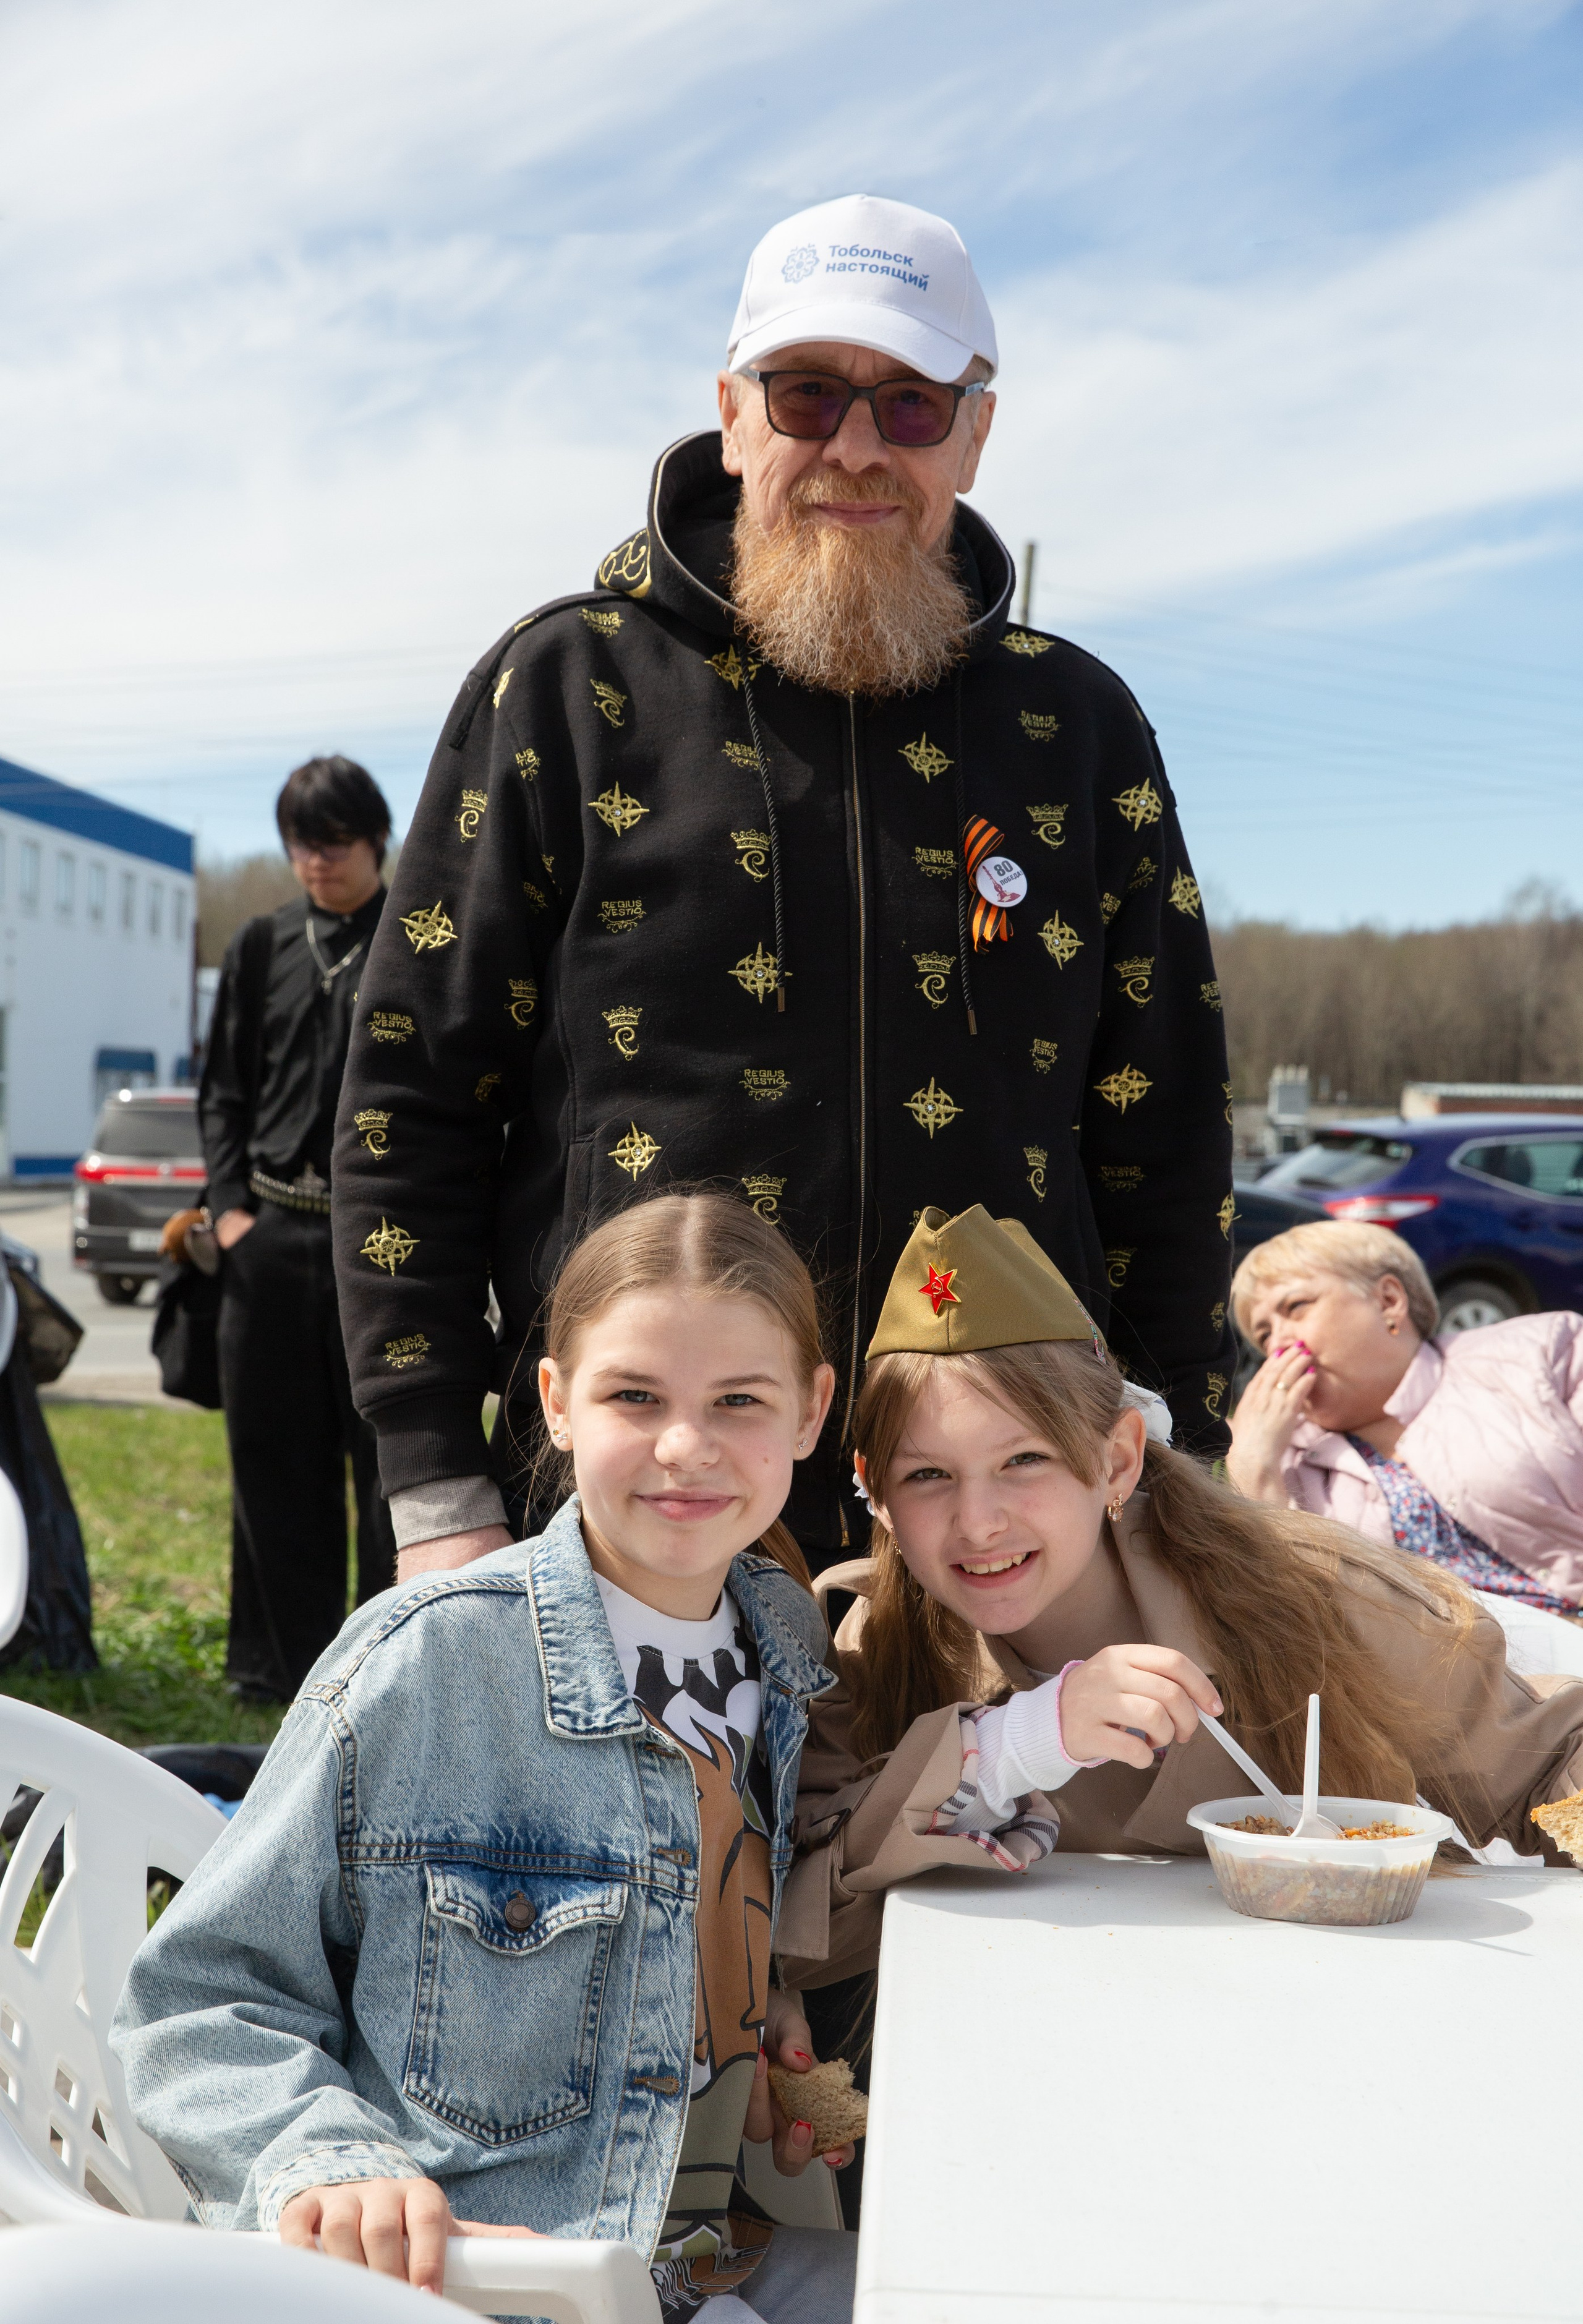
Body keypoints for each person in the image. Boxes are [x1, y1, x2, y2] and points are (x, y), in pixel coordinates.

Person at [331, 191, 1238, 1589]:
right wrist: (435, 1482)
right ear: (732, 411)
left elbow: (1160, 1125)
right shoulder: (567, 689)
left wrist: (1174, 1442)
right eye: (809, 394)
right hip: (628, 1522)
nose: (856, 447)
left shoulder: (1074, 726)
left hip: (992, 1540)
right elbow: (411, 1102)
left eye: (911, 405)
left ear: (977, 430)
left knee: (987, 1815)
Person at [113, 1194, 858, 2323]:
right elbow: (197, 1996)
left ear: (811, 1411)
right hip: (486, 2275)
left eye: (739, 1401)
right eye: (634, 1395)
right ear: (556, 1401)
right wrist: (328, 2161)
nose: (685, 1446)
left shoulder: (783, 1639)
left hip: (705, 2255)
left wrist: (760, 1995)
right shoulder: (434, 1659)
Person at [772, 1205, 1583, 1989]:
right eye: (927, 1474)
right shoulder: (878, 1651)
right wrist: (1007, 1749)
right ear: (876, 1494)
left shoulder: (1306, 1591)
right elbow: (801, 1935)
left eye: (1025, 1459)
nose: (978, 1521)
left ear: (1118, 1461)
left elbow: (1545, 1765)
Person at [197, 756, 398, 1702]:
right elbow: (223, 1092)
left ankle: (382, 1664)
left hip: (380, 1246)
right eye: (300, 845)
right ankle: (276, 1669)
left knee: (388, 1469)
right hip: (269, 1235)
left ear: (377, 838)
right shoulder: (259, 944)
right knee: (273, 1464)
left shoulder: (416, 935)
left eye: (335, 842)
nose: (317, 862)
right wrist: (230, 1208)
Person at [1227, 1220, 1583, 1615]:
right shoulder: (1284, 1461)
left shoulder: (1543, 1354)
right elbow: (1290, 1622)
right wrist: (1253, 1472)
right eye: (1263, 1336)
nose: (1277, 1342)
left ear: (1388, 1301)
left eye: (1296, 1307)